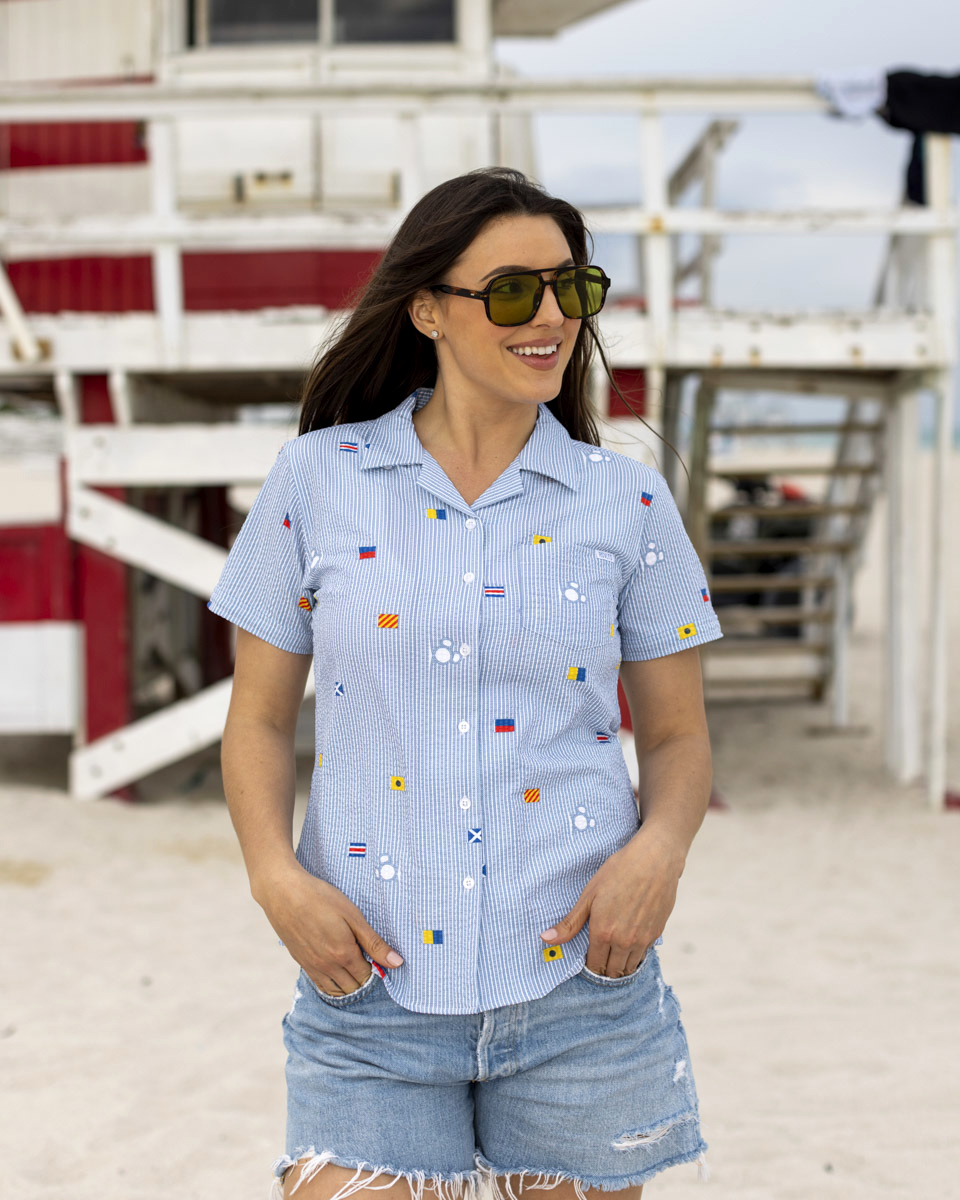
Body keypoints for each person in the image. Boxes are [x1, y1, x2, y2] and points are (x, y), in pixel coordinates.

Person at [207, 166, 723, 1200]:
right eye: (513, 292)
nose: (551, 318)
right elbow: (258, 719)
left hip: (582, 989)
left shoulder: (626, 501)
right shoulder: (316, 479)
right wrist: (274, 876)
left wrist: (659, 853)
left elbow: (676, 736)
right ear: (428, 310)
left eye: (571, 288)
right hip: (367, 992)